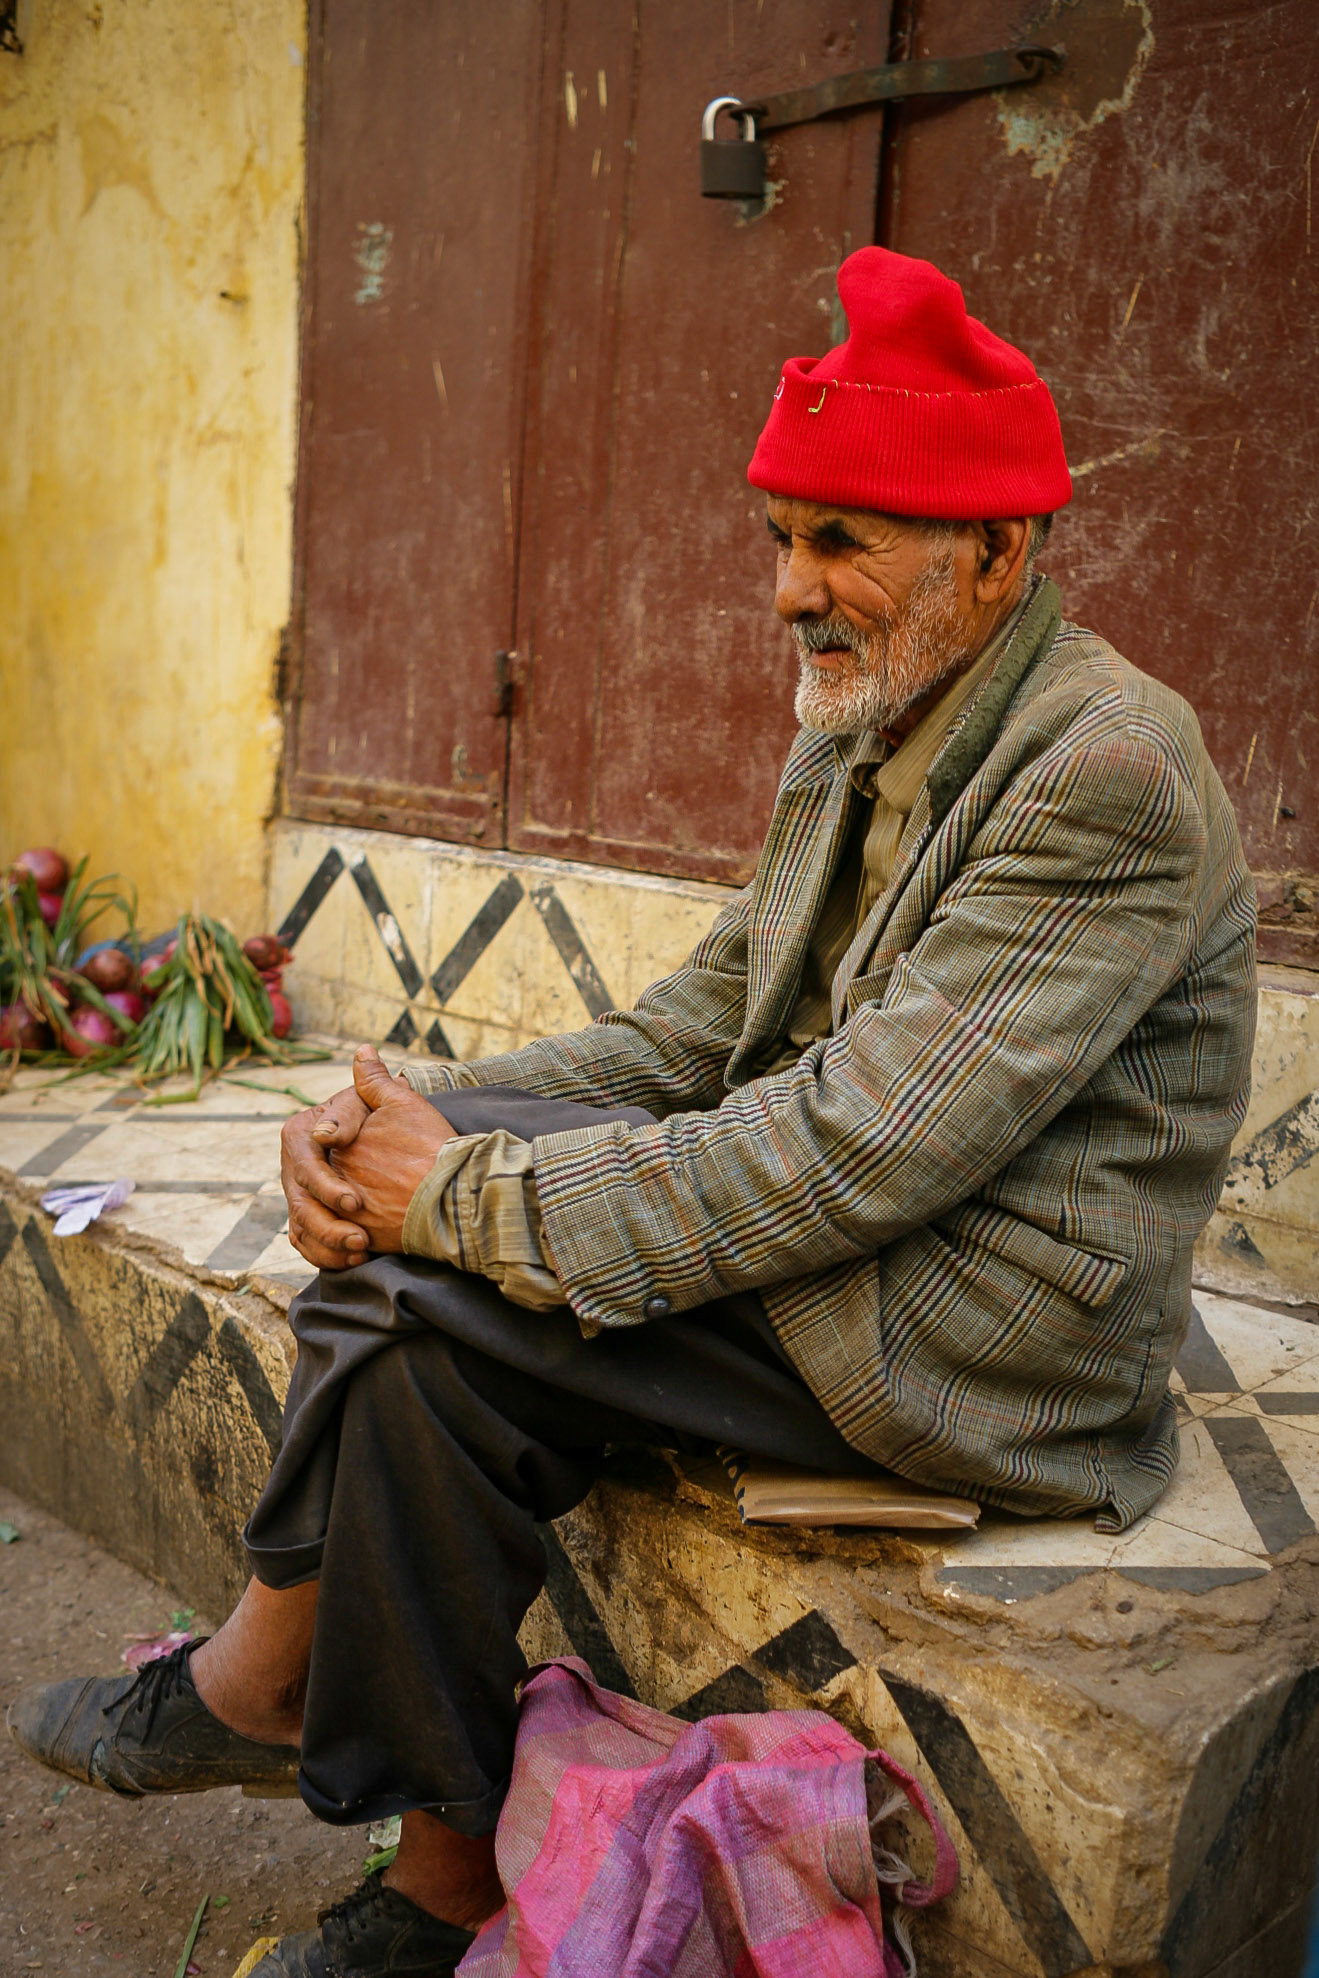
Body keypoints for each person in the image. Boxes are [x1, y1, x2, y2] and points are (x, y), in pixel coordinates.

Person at [8, 248, 1256, 1978]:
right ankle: (376, 1793)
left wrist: (459, 1196)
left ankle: (323, 1744)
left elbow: (849, 1148)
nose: (790, 591)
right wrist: (408, 1112)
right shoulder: (863, 723)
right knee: (409, 1268)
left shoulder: (1105, 767)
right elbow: (699, 1033)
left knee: (431, 1302)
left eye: (841, 542)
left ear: (998, 551)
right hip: (859, 1236)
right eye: (780, 538)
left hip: (976, 1328)